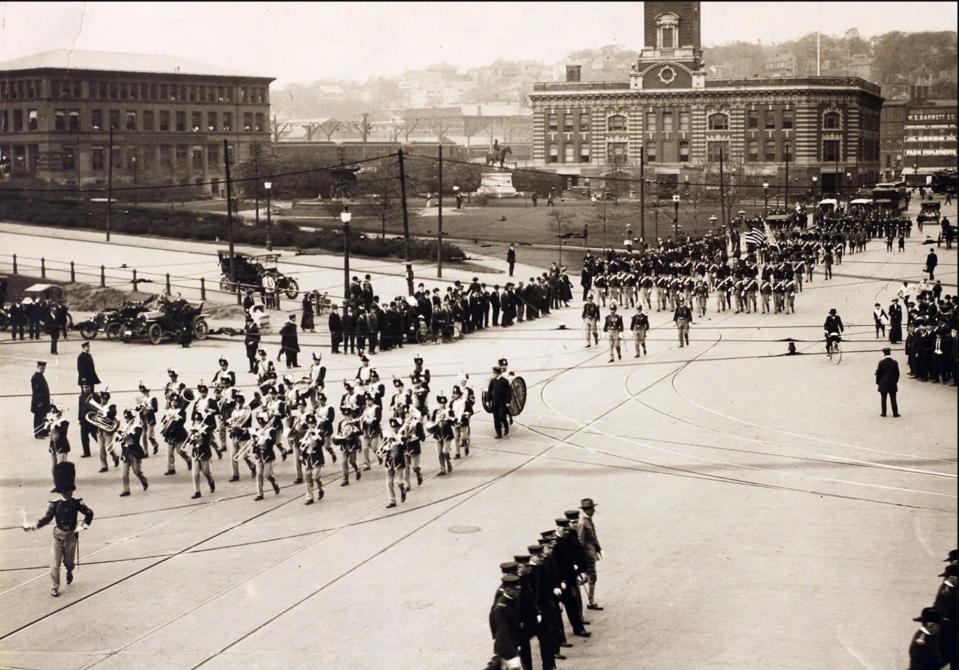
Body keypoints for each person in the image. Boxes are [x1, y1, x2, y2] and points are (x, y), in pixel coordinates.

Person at [22, 462, 94, 597]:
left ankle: (69, 571)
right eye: (67, 491)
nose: (69, 493)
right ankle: (54, 586)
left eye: (70, 490)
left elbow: (89, 513)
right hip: (57, 536)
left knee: (69, 562)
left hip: (71, 537)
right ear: (62, 491)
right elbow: (46, 519)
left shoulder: (77, 503)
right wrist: (32, 526)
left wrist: (82, 527)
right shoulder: (54, 504)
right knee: (55, 564)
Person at [489, 574, 524, 670]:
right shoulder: (501, 608)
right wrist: (513, 655)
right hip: (507, 649)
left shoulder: (513, 600)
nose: (519, 591)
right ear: (507, 589)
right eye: (516, 589)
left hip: (514, 645)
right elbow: (503, 633)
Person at [577, 497, 603, 611]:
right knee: (592, 577)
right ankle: (591, 601)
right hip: (587, 555)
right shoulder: (584, 523)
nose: (594, 510)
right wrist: (582, 557)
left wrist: (598, 548)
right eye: (592, 508)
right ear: (587, 509)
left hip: (591, 554)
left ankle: (589, 598)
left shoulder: (588, 521)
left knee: (590, 577)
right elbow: (581, 541)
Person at [875, 347, 901, 418]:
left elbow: (878, 374)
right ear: (890, 353)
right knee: (893, 398)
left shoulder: (881, 363)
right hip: (892, 382)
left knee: (883, 398)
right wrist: (895, 381)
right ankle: (895, 413)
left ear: (884, 354)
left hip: (883, 383)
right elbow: (897, 373)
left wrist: (878, 382)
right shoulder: (894, 362)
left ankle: (884, 413)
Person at [488, 366, 512, 439]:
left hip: (502, 402)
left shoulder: (504, 381)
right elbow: (489, 391)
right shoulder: (492, 381)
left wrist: (508, 401)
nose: (493, 374)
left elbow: (508, 392)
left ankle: (506, 426)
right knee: (496, 418)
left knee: (502, 416)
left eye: (494, 373)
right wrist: (488, 400)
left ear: (497, 373)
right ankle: (499, 434)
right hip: (495, 402)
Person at [31, 361, 51, 439]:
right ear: (38, 367)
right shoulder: (35, 377)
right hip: (39, 402)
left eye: (44, 368)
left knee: (43, 417)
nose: (43, 369)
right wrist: (40, 402)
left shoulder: (40, 375)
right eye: (42, 368)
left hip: (43, 402)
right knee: (38, 418)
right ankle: (37, 433)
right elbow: (36, 392)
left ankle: (43, 432)